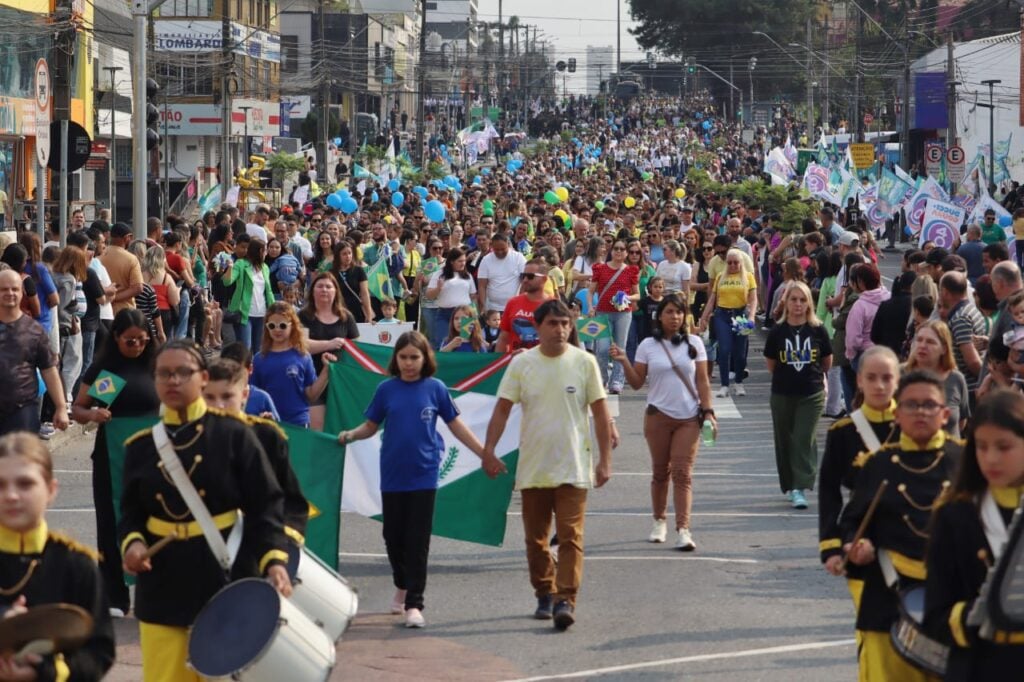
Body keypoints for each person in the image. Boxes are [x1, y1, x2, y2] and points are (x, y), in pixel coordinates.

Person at [119, 339, 292, 682]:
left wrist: (273, 559)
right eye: (164, 373)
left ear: (202, 378)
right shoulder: (139, 446)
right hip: (163, 586)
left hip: (226, 577)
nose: (173, 381)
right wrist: (133, 544)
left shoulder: (235, 434)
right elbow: (130, 512)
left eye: (183, 372)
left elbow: (266, 504)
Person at [338, 332, 503, 628]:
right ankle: (402, 583)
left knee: (417, 541)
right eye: (403, 357)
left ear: (426, 358)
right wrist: (349, 434)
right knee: (392, 538)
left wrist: (484, 454)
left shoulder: (436, 389)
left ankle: (415, 603)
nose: (409, 363)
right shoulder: (386, 389)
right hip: (392, 476)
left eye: (415, 357)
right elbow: (369, 426)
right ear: (396, 360)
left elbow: (457, 427)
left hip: (424, 476)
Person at [483, 300, 613, 631]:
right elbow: (501, 409)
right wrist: (489, 449)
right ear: (538, 327)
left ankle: (565, 599)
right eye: (553, 323)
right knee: (536, 540)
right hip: (534, 467)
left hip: (574, 466)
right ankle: (545, 590)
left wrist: (604, 462)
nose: (560, 329)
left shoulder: (584, 363)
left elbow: (600, 413)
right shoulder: (522, 364)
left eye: (565, 323)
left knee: (571, 537)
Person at [841, 370, 963, 682]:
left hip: (950, 606)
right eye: (911, 405)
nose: (920, 412)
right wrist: (855, 545)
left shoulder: (964, 462)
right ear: (897, 413)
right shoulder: (879, 463)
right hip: (886, 599)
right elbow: (852, 521)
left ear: (945, 413)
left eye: (929, 405)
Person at [922, 389, 1024, 679]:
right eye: (981, 446)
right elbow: (935, 615)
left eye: (1004, 447)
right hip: (979, 665)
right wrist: (979, 616)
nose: (991, 458)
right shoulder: (955, 515)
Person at [0, 432, 115, 679]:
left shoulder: (76, 565)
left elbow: (100, 652)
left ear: (51, 489)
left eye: (25, 484)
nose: (11, 495)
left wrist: (46, 671)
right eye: (0, 485)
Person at [610, 294, 715, 550]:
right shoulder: (648, 345)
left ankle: (683, 529)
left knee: (682, 473)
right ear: (660, 316)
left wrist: (709, 411)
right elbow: (636, 383)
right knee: (660, 472)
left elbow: (703, 380)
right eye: (669, 312)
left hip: (689, 417)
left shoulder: (695, 344)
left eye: (679, 312)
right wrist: (623, 360)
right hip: (657, 416)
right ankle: (659, 521)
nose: (675, 317)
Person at [818, 346, 899, 637]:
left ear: (897, 381)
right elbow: (829, 490)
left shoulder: (912, 428)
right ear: (860, 381)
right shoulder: (843, 432)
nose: (879, 385)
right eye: (871, 377)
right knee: (874, 639)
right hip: (861, 542)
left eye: (887, 378)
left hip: (910, 546)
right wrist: (831, 545)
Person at [203, 358, 308, 546]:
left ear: (244, 395)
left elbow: (291, 500)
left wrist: (284, 541)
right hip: (203, 544)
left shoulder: (267, 436)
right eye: (209, 397)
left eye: (227, 397)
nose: (218, 405)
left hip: (255, 543)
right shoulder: (189, 437)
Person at [764, 281, 833, 510]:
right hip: (782, 393)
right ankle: (789, 484)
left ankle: (800, 486)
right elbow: (772, 365)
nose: (798, 304)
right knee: (784, 440)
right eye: (794, 299)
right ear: (786, 302)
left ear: (809, 304)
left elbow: (826, 363)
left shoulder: (818, 329)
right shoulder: (778, 331)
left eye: (803, 300)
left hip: (811, 394)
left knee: (803, 438)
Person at [0, 269, 68, 435]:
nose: (10, 293)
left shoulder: (34, 330)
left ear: (22, 293)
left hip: (22, 411)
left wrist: (60, 407)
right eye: (3, 289)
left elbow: (49, 370)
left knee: (21, 460)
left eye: (14, 289)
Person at [252, 302, 334, 428]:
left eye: (283, 325)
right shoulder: (259, 359)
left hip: (298, 422)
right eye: (272, 326)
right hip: (269, 424)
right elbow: (253, 395)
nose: (277, 330)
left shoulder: (302, 356)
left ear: (293, 326)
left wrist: (327, 370)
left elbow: (311, 395)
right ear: (266, 327)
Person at [298, 272, 359, 430]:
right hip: (313, 381)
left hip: (340, 383)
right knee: (317, 430)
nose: (324, 290)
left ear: (335, 291)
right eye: (320, 286)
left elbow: (356, 350)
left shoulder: (347, 317)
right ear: (312, 291)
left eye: (328, 286)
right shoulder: (303, 316)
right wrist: (329, 344)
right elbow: (301, 346)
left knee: (340, 430)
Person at [699, 248, 757, 397]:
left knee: (740, 353)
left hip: (741, 315)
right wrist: (704, 317)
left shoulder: (748, 277)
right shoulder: (720, 277)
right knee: (724, 350)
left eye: (735, 263)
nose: (732, 265)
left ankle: (738, 383)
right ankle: (724, 385)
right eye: (729, 262)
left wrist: (751, 316)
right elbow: (712, 299)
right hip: (722, 315)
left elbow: (753, 299)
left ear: (741, 263)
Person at [588, 239, 640, 393]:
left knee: (620, 348)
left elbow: (637, 294)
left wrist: (627, 297)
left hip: (623, 313)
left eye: (622, 249)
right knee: (602, 349)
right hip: (602, 312)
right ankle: (602, 378)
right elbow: (591, 291)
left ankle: (617, 380)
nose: (618, 251)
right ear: (611, 251)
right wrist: (591, 307)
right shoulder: (600, 269)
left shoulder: (631, 270)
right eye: (616, 248)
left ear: (626, 253)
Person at [904, 320, 971, 438]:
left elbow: (961, 422)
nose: (922, 346)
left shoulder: (956, 379)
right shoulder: (899, 375)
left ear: (944, 349)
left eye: (930, 342)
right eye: (919, 340)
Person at [224, 238, 275, 352]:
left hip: (262, 314)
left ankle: (256, 370)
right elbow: (227, 282)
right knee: (245, 349)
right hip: (244, 314)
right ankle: (243, 369)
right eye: (265, 250)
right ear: (259, 251)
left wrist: (273, 310)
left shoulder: (265, 267)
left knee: (259, 350)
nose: (267, 253)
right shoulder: (241, 264)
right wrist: (230, 267)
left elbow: (269, 291)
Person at [425, 247, 477, 350]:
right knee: (443, 344)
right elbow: (429, 295)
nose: (463, 263)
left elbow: (473, 296)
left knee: (465, 343)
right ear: (452, 261)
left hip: (465, 315)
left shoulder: (467, 275)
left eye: (464, 261)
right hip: (444, 314)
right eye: (460, 261)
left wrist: (474, 314)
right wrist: (438, 289)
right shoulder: (439, 274)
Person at [495, 259, 550, 352]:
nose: (525, 280)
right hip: (516, 363)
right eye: (523, 276)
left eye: (530, 276)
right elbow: (503, 338)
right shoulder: (513, 302)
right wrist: (498, 363)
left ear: (544, 279)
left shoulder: (553, 305)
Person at [219, 342, 280, 420]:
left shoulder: (262, 398)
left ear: (250, 369)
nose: (233, 375)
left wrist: (268, 423)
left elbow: (278, 428)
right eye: (227, 370)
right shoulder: (215, 395)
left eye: (238, 370)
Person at [477, 233, 527, 314]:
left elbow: (525, 282)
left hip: (514, 307)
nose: (500, 252)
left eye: (503, 249)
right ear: (491, 247)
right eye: (496, 250)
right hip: (492, 308)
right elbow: (482, 286)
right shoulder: (486, 260)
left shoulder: (518, 258)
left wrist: (520, 302)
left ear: (508, 244)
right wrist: (483, 306)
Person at [332, 241, 374, 324]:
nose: (348, 256)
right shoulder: (332, 273)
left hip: (356, 309)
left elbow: (365, 293)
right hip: (338, 310)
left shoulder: (359, 270)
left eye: (349, 253)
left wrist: (369, 315)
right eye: (344, 254)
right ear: (338, 256)